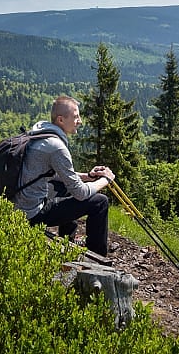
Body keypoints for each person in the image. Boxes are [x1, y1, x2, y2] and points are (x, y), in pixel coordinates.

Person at [15, 95, 115, 256]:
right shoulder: (56, 147)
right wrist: (106, 180)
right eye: (76, 117)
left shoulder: (39, 134)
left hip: (18, 205)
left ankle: (67, 241)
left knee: (64, 185)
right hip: (31, 214)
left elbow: (52, 174)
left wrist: (87, 176)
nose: (80, 121)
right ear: (61, 120)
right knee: (100, 202)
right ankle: (97, 259)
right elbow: (81, 194)